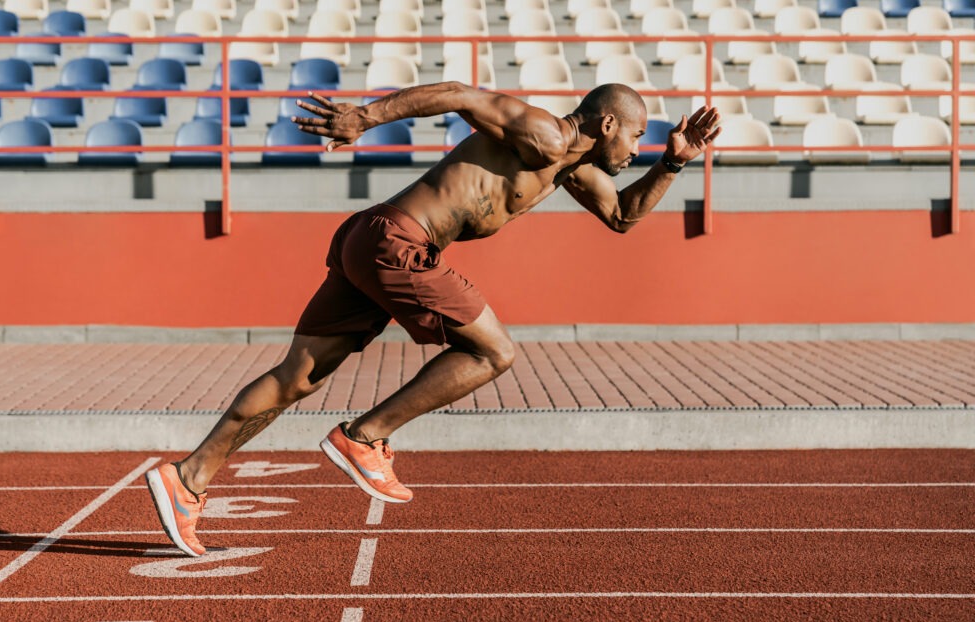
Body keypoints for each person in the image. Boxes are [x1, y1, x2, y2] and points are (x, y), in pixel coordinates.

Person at [144, 81, 722, 557]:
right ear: (607, 126)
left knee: (298, 376)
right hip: (399, 242)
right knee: (493, 352)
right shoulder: (544, 133)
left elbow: (623, 216)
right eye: (639, 139)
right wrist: (365, 118)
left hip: (369, 239)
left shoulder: (572, 168)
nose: (636, 153)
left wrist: (674, 162)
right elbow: (458, 94)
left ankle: (187, 479)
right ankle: (363, 438)